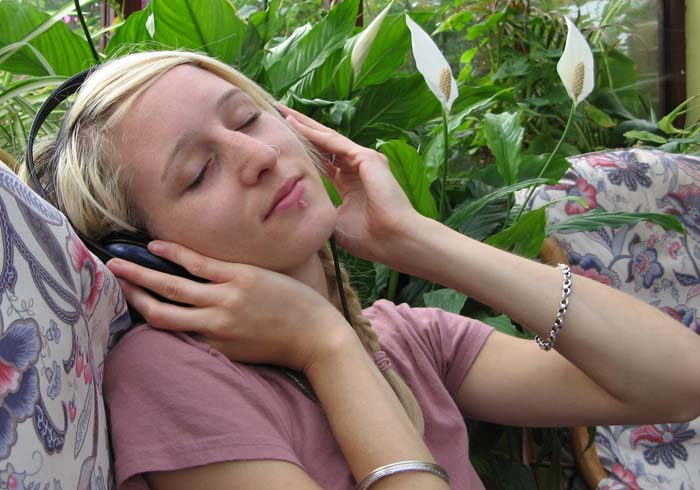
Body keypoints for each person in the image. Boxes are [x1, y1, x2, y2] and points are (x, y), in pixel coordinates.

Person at [24, 50, 700, 490]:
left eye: (248, 120)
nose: (253, 156)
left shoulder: (402, 337)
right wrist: (323, 344)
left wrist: (416, 238)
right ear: (140, 254)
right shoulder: (172, 379)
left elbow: (677, 382)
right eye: (199, 172)